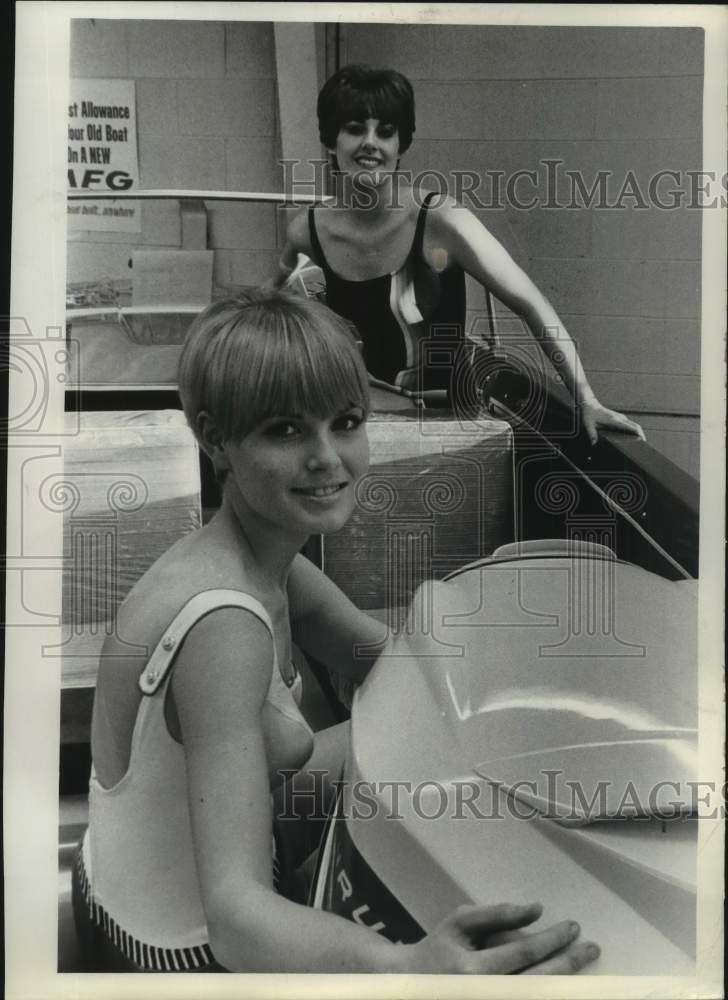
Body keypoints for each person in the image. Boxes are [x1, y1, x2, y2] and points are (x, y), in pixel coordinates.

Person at [72, 289, 600, 974]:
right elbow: (234, 918)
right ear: (213, 438)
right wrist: (405, 969)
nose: (327, 456)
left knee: (411, 740)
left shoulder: (266, 560)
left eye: (345, 421)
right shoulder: (222, 626)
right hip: (172, 947)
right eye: (285, 430)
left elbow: (399, 670)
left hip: (130, 869)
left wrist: (533, 704)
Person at [273, 65, 645, 444]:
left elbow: (531, 303)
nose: (371, 143)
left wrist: (586, 398)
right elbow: (269, 301)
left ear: (400, 146)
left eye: (385, 132)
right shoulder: (307, 229)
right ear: (330, 140)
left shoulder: (444, 221)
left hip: (443, 426)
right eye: (355, 128)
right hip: (359, 424)